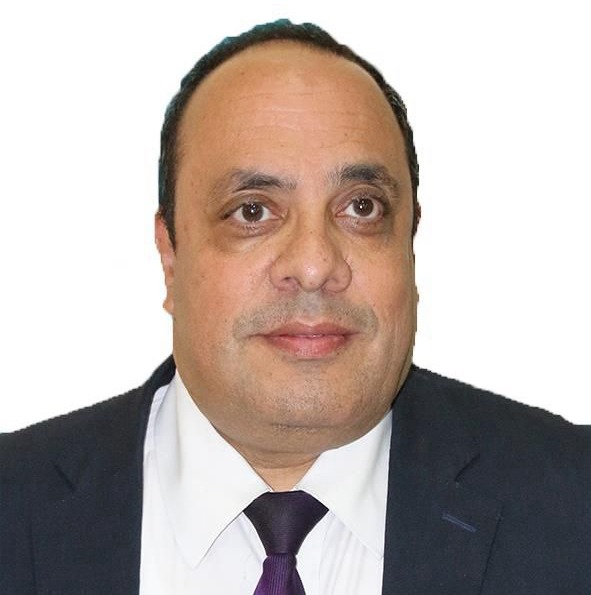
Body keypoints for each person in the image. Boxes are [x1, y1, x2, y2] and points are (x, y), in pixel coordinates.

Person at [0, 19, 589, 595]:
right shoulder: (15, 509)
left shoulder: (573, 504)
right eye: (252, 211)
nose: (313, 264)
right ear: (171, 257)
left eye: (362, 208)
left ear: (410, 244)